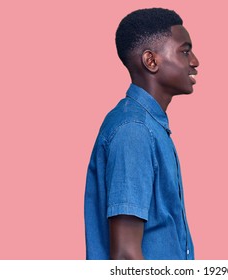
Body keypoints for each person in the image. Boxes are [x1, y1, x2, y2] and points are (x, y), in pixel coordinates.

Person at [84, 8, 200, 260]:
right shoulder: (134, 131)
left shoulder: (149, 127)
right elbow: (126, 256)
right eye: (184, 50)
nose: (194, 61)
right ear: (151, 61)